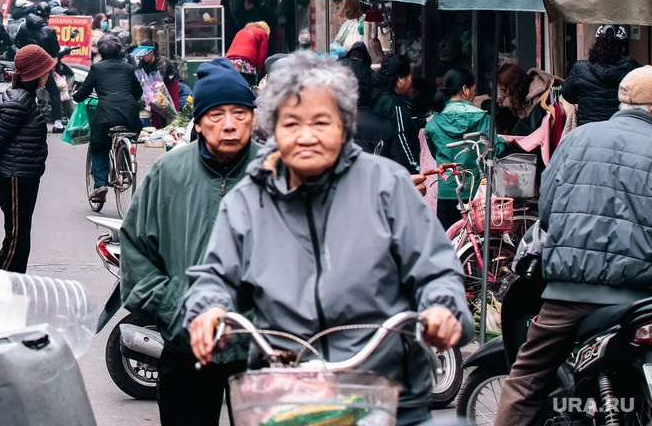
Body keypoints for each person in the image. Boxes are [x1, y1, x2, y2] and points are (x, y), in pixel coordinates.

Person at [185, 52, 472, 426]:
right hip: (286, 396)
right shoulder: (247, 200)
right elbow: (215, 277)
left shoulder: (388, 185)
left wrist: (442, 310)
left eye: (321, 122)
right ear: (273, 129)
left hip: (387, 394)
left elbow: (437, 272)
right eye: (291, 124)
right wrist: (207, 310)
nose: (306, 136)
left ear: (345, 125)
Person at [494, 66, 652, 426]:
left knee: (526, 380)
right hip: (640, 296)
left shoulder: (578, 139)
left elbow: (547, 209)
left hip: (569, 292)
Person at [120, 58, 261, 425]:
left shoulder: (277, 172)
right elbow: (136, 250)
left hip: (263, 348)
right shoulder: (170, 172)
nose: (229, 124)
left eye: (240, 113)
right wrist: (174, 308)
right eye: (216, 115)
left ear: (254, 118)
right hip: (187, 344)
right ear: (197, 122)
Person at [0, 45, 56, 273]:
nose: (49, 75)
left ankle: (15, 285)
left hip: (24, 176)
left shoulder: (25, 99)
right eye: (46, 71)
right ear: (35, 74)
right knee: (16, 237)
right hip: (16, 176)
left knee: (21, 236)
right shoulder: (19, 103)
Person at [423, 68, 508, 229]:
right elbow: (494, 150)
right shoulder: (482, 118)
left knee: (449, 241)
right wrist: (504, 141)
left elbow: (435, 153)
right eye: (474, 90)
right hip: (476, 191)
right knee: (477, 243)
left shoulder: (433, 123)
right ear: (465, 89)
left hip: (447, 189)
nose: (474, 95)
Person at [74, 35, 141, 203]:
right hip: (129, 113)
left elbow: (84, 91)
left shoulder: (97, 68)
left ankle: (100, 185)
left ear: (101, 51)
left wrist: (75, 97)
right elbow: (138, 92)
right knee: (131, 135)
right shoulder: (127, 68)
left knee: (98, 147)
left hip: (106, 114)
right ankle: (126, 161)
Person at [561, 24, 640, 124]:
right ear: (622, 47)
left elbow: (567, 95)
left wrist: (585, 99)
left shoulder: (580, 68)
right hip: (620, 128)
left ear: (597, 44)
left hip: (588, 128)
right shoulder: (631, 67)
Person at [15, 1, 64, 133]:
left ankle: (26, 121)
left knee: (27, 94)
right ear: (47, 16)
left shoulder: (24, 27)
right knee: (54, 93)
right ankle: (58, 123)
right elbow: (56, 50)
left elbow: (16, 42)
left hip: (27, 65)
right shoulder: (49, 30)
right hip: (44, 67)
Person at [371, 54, 422, 173]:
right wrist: (414, 170)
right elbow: (401, 139)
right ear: (399, 79)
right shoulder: (394, 104)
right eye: (409, 75)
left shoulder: (379, 98)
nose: (411, 80)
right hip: (396, 172)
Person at [133, 44, 180, 128]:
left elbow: (159, 81)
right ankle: (157, 128)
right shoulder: (142, 63)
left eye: (144, 54)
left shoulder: (162, 61)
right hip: (152, 85)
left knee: (171, 107)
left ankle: (174, 128)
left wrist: (152, 90)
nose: (142, 57)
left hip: (169, 83)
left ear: (151, 52)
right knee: (155, 108)